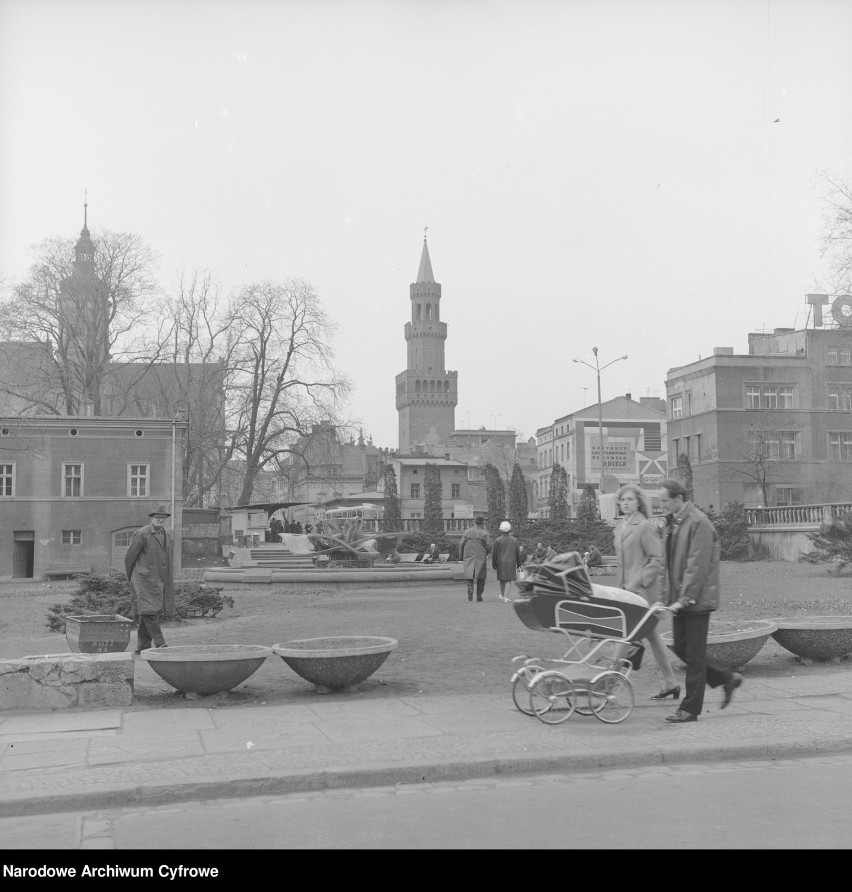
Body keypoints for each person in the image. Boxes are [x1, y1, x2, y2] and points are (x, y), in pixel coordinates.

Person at [657, 479, 742, 723]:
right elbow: (668, 564)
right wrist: (666, 598)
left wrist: (683, 599)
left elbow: (697, 565)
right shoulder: (674, 522)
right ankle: (727, 679)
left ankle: (690, 709)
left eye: (664, 500)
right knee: (683, 648)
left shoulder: (698, 522)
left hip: (695, 599)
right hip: (681, 599)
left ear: (679, 498)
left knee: (693, 655)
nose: (661, 504)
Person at [613, 483, 679, 700]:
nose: (625, 503)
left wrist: (637, 581)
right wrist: (623, 586)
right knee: (652, 636)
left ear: (639, 502)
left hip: (641, 593)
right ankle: (671, 682)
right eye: (622, 500)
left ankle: (609, 683)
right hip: (626, 592)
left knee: (625, 634)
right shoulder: (621, 527)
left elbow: (657, 559)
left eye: (630, 499)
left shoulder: (644, 526)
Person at [125, 505, 174, 654]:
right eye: (157, 517)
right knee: (150, 610)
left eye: (163, 517)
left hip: (159, 579)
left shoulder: (167, 535)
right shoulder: (141, 534)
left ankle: (143, 646)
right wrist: (133, 578)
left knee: (149, 610)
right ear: (151, 518)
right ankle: (160, 643)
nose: (160, 519)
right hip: (143, 579)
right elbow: (129, 558)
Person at [459, 516, 491, 602]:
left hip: (468, 556)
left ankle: (470, 588)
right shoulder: (485, 533)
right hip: (480, 556)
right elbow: (488, 546)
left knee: (468, 575)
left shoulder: (466, 532)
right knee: (481, 577)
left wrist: (461, 556)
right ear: (482, 524)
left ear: (474, 522)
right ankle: (479, 596)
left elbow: (461, 545)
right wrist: (485, 553)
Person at [492, 521, 521, 603]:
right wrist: (519, 564)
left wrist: (494, 563)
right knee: (508, 579)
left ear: (501, 529)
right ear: (510, 530)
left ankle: (502, 595)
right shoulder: (514, 540)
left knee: (502, 579)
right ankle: (506, 597)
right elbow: (518, 553)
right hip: (511, 561)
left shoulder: (497, 540)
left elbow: (495, 553)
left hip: (501, 562)